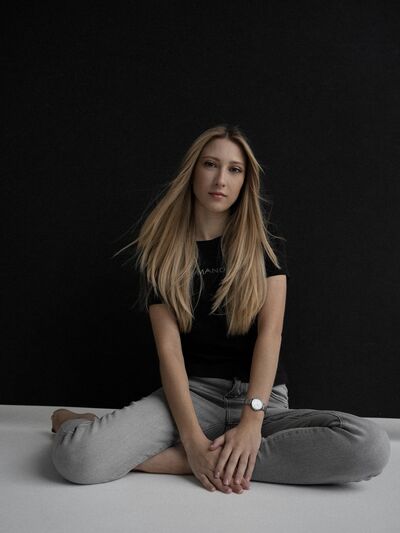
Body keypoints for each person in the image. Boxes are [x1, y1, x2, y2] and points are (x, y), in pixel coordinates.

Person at [51, 124, 391, 494]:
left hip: (262, 401)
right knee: (78, 457)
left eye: (234, 169)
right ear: (193, 170)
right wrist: (192, 440)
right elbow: (169, 352)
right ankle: (85, 424)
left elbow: (270, 336)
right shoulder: (162, 253)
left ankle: (188, 461)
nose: (221, 179)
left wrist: (251, 423)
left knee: (369, 446)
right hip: (192, 398)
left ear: (245, 181)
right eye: (211, 164)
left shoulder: (265, 245)